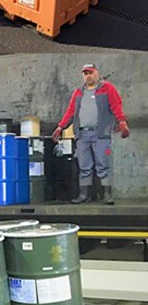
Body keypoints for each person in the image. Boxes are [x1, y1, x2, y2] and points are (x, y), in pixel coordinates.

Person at [51, 63, 130, 204]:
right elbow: (70, 112)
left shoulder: (107, 89)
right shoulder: (78, 92)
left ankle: (107, 195)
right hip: (82, 135)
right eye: (85, 73)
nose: (88, 76)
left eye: (91, 72)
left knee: (103, 163)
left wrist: (122, 122)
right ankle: (83, 195)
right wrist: (60, 128)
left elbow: (116, 106)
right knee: (84, 165)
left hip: (101, 134)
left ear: (97, 73)